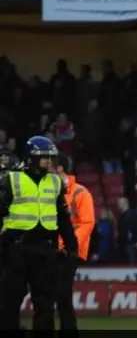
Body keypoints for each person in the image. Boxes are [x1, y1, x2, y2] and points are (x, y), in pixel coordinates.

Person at [0, 136, 77, 330]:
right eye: (44, 156)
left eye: (50, 157)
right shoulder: (12, 179)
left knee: (45, 303)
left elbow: (63, 218)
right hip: (17, 247)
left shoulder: (56, 182)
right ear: (31, 157)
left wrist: (72, 246)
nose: (49, 161)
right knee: (10, 301)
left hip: (45, 249)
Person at [54, 153, 95, 331]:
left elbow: (87, 223)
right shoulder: (52, 191)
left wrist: (68, 245)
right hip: (52, 249)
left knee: (62, 296)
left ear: (59, 168)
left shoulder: (80, 193)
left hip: (69, 251)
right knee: (56, 296)